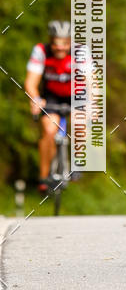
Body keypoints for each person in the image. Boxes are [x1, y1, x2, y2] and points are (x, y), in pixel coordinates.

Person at [25, 20, 73, 193]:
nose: (60, 48)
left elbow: (92, 81)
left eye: (65, 43)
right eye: (56, 43)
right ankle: (44, 178)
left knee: (83, 123)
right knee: (49, 130)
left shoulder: (80, 53)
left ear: (70, 42)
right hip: (51, 97)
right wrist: (36, 98)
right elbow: (31, 82)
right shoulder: (41, 51)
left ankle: (80, 162)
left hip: (77, 94)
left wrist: (93, 104)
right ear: (50, 40)